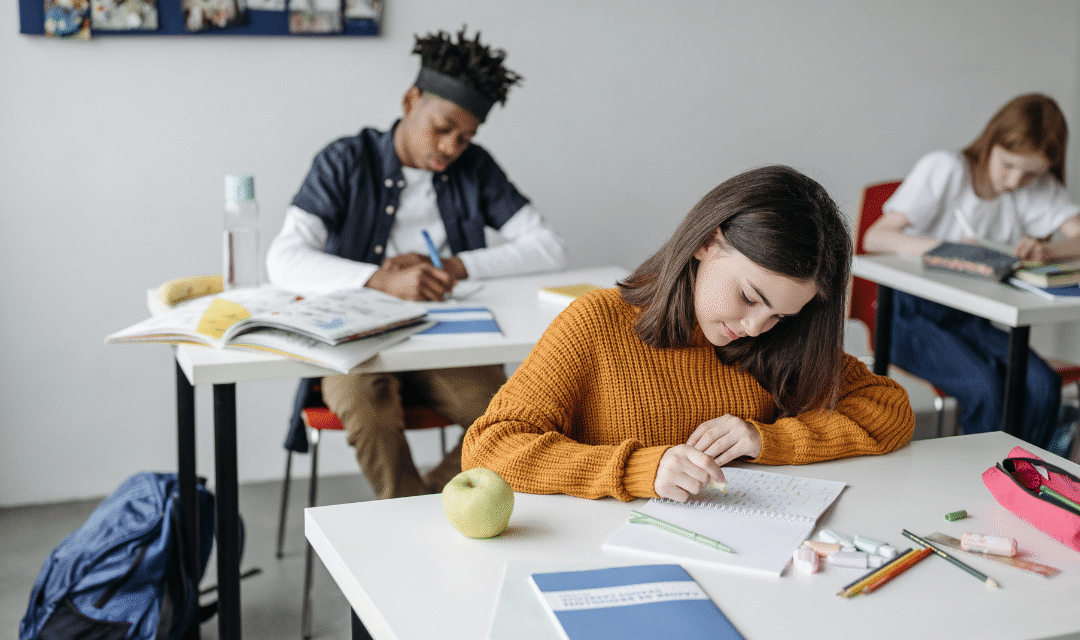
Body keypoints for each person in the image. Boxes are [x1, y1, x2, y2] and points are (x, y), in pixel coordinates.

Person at [461, 166, 914, 502]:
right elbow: (489, 448)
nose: (755, 327)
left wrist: (767, 440)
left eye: (781, 315)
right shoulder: (598, 322)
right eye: (750, 297)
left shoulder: (778, 340)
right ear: (705, 242)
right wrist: (640, 468)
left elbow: (889, 410)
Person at [267, 27, 567, 500]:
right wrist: (382, 281)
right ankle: (407, 509)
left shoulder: (475, 168)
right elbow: (283, 258)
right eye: (443, 128)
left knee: (508, 415)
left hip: (447, 335)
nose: (452, 147)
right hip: (356, 339)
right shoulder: (346, 160)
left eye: (466, 137)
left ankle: (424, 503)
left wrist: (458, 266)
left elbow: (549, 246)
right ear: (411, 101)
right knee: (363, 402)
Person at [863, 93, 1080, 449]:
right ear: (991, 141)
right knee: (986, 388)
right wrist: (949, 251)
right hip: (910, 318)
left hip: (971, 319)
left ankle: (1025, 478)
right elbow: (876, 236)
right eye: (1008, 164)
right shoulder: (947, 168)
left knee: (1043, 385)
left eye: (1030, 174)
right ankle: (982, 480)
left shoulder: (1035, 187)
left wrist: (1049, 249)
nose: (1014, 180)